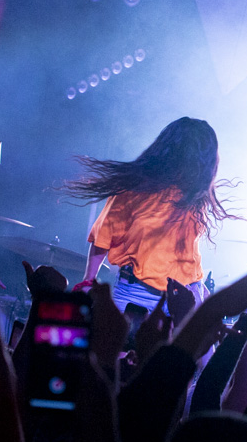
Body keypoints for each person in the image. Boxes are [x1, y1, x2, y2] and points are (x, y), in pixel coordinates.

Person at [62, 117, 237, 314]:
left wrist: (199, 292)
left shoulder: (196, 195)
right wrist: (88, 280)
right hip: (136, 294)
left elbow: (186, 251)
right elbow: (103, 237)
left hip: (185, 295)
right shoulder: (134, 188)